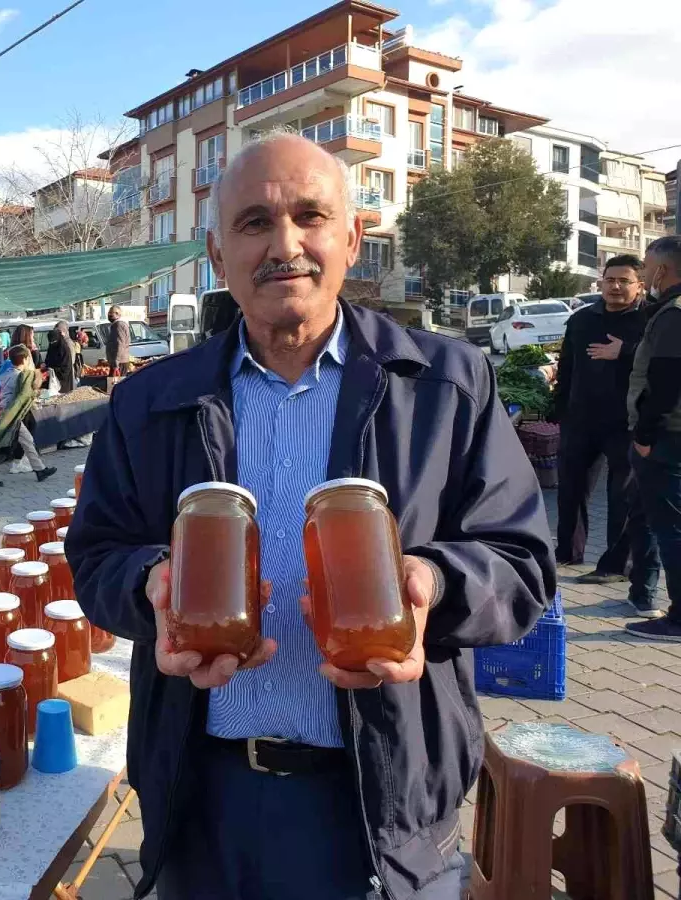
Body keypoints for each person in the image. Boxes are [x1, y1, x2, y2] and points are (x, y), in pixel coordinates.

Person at [66, 130, 554, 900]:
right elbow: (95, 553)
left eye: (310, 216)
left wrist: (433, 583)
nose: (285, 244)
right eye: (254, 222)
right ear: (217, 255)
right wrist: (151, 585)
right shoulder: (147, 403)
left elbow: (522, 561)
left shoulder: (443, 386)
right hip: (205, 799)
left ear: (353, 238)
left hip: (383, 798)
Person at [552, 255, 651, 585]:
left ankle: (615, 564)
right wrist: (559, 409)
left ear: (640, 285)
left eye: (625, 281)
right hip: (581, 418)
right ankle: (567, 551)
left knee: (621, 495)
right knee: (570, 489)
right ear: (601, 281)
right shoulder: (582, 320)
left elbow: (663, 363)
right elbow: (567, 368)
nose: (616, 286)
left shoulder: (650, 320)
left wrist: (624, 351)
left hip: (625, 423)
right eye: (610, 280)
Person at [625, 234, 681, 641]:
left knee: (671, 530)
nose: (644, 274)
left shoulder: (673, 315)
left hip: (667, 440)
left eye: (646, 266)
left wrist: (644, 435)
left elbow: (665, 382)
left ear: (661, 268)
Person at [0, 345, 56, 489]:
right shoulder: (20, 376)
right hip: (11, 414)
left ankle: (40, 469)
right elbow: (25, 393)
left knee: (26, 441)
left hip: (4, 412)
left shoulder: (5, 374)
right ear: (26, 359)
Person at [44, 321, 77, 394]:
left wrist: (53, 370)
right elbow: (48, 360)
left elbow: (68, 365)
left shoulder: (66, 346)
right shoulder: (52, 346)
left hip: (64, 380)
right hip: (53, 381)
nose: (52, 343)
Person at [105, 305, 131, 375]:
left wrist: (116, 362)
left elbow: (119, 344)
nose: (109, 315)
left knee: (115, 384)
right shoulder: (118, 325)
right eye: (108, 313)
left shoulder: (118, 325)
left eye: (111, 313)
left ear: (117, 314)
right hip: (120, 361)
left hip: (120, 362)